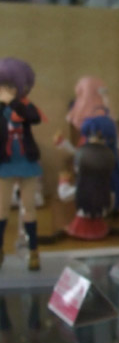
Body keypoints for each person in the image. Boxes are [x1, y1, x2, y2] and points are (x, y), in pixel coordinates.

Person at [0, 58, 44, 270]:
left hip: (26, 162)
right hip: (5, 164)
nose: (5, 90)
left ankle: (33, 251)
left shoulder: (25, 106)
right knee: (1, 210)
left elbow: (34, 118)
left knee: (29, 208)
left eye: (10, 86)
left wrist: (13, 102)